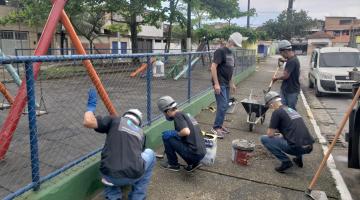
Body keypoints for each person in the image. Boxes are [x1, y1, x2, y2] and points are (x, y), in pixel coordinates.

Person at [83, 88, 155, 200]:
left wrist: (91, 106)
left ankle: (113, 196)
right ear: (138, 123)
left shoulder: (115, 120)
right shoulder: (141, 133)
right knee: (150, 153)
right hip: (133, 174)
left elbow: (88, 122)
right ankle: (138, 196)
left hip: (110, 176)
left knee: (108, 154)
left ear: (125, 116)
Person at [260, 91, 315, 173]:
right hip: (309, 146)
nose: (270, 108)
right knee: (293, 136)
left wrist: (276, 134)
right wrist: (281, 134)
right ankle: (298, 159)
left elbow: (270, 134)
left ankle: (286, 162)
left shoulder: (277, 112)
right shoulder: (290, 109)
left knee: (264, 139)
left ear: (271, 104)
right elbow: (293, 129)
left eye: (269, 106)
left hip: (297, 148)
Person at [157, 96, 206, 172]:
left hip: (194, 154)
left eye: (164, 112)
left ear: (168, 111)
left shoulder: (177, 115)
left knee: (166, 137)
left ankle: (173, 164)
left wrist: (175, 133)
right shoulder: (186, 115)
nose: (165, 115)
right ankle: (194, 163)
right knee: (174, 136)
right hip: (201, 153)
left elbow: (186, 131)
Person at [210, 32, 245, 138]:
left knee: (225, 105)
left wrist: (232, 83)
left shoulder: (231, 53)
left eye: (236, 45)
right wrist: (216, 84)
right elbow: (213, 67)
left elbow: (230, 70)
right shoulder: (220, 51)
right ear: (230, 41)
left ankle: (220, 125)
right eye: (234, 44)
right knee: (223, 105)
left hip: (226, 83)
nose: (234, 47)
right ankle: (215, 128)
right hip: (220, 83)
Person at [272, 40, 301, 110]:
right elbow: (288, 61)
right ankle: (284, 120)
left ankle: (291, 121)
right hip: (285, 89)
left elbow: (286, 76)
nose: (281, 55)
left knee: (290, 109)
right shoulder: (292, 58)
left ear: (285, 51)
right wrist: (283, 60)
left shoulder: (292, 61)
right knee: (282, 108)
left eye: (281, 53)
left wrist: (276, 78)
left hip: (291, 91)